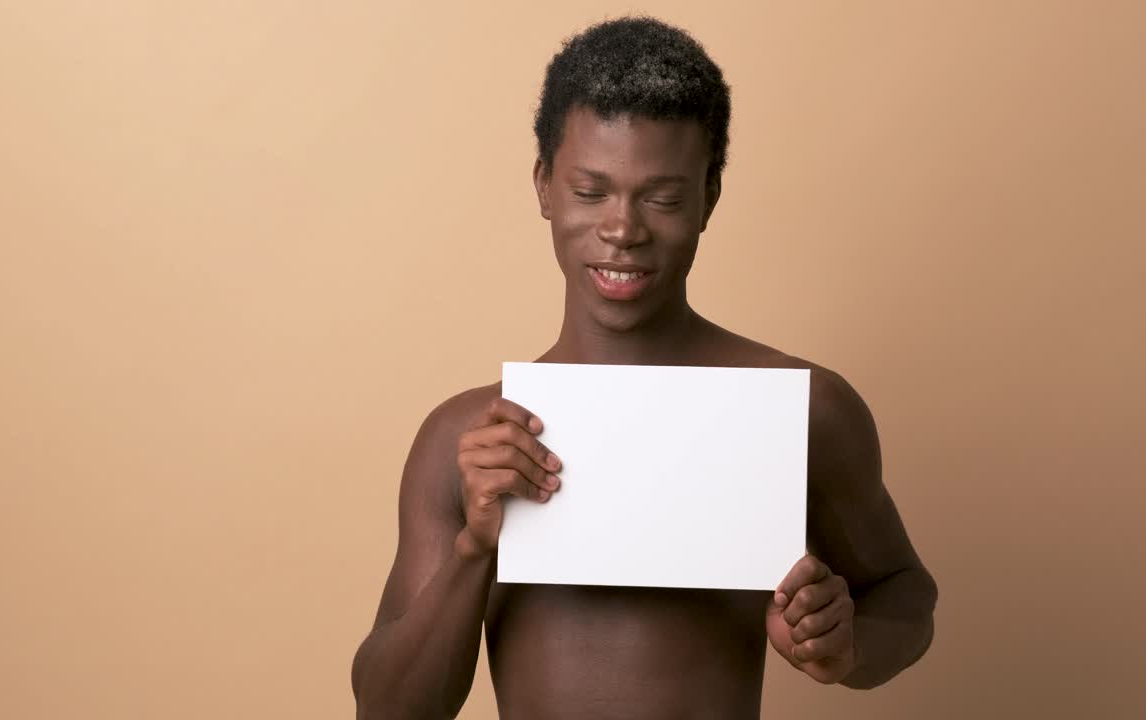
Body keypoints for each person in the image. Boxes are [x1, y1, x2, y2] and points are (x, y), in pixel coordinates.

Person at [351, 16, 937, 720]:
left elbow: (905, 599)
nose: (623, 230)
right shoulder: (467, 439)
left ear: (708, 198)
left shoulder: (801, 408)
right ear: (544, 186)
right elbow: (387, 711)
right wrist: (475, 549)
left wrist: (845, 646)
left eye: (660, 198)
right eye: (591, 192)